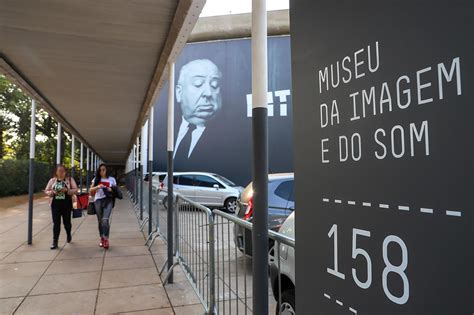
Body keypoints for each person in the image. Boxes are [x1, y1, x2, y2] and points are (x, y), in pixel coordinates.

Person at [174, 59, 223, 162]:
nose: (208, 93)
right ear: (179, 93)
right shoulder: (161, 133)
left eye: (214, 85)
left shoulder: (230, 140)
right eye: (198, 84)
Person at [44, 164, 78, 249]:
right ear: (56, 172)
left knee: (67, 223)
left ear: (66, 172)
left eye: (63, 171)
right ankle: (55, 242)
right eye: (59, 171)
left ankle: (68, 234)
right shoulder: (52, 181)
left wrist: (67, 190)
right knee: (56, 224)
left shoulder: (70, 180)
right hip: (55, 205)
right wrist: (52, 193)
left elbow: (76, 190)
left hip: (67, 204)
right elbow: (46, 190)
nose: (61, 173)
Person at [90, 163, 117, 249]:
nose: (102, 171)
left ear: (107, 170)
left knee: (105, 220)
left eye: (104, 169)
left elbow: (116, 191)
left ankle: (106, 239)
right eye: (100, 170)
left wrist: (110, 189)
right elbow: (91, 192)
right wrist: (97, 186)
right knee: (100, 221)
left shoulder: (112, 179)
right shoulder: (96, 179)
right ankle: (102, 237)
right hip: (98, 201)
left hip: (108, 201)